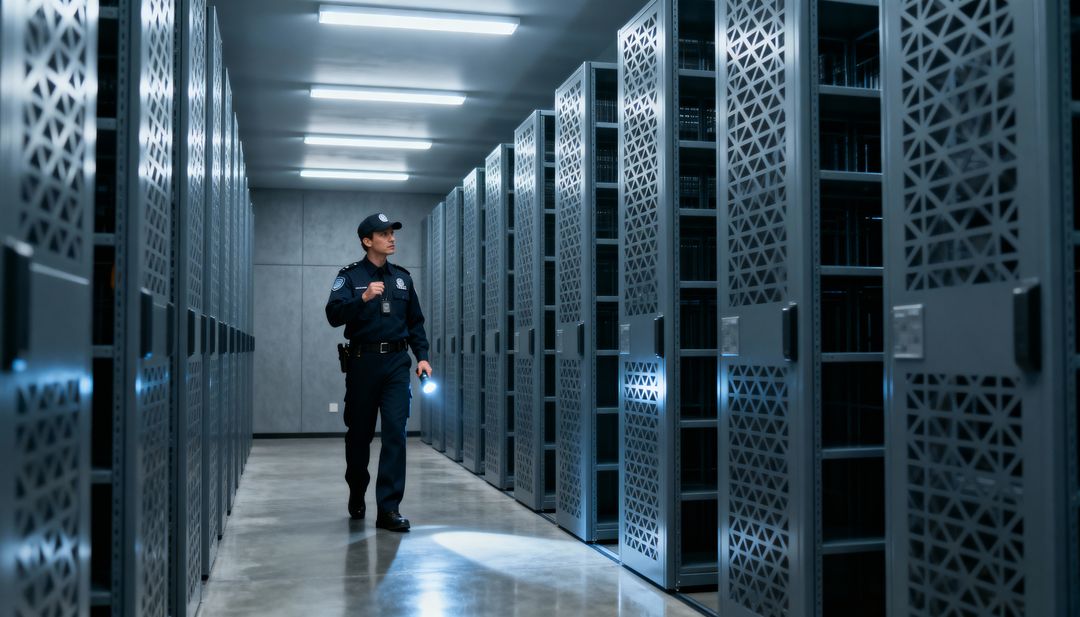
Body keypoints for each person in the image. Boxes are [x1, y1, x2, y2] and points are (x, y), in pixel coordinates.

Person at [325, 212, 432, 532]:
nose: (392, 238)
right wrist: (363, 298)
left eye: (392, 233)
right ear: (367, 241)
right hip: (362, 364)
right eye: (384, 234)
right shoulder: (350, 277)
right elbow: (332, 315)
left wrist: (423, 357)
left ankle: (389, 508)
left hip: (398, 364)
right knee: (359, 437)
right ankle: (356, 490)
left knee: (396, 434)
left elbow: (415, 322)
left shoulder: (402, 278)